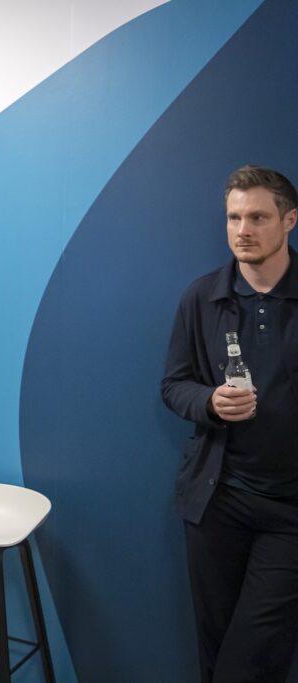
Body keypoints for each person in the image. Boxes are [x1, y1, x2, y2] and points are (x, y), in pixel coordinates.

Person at [162, 164, 298, 682]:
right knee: (215, 646)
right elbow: (174, 384)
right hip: (217, 501)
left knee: (254, 656)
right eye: (234, 218)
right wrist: (210, 402)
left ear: (289, 220)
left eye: (258, 217)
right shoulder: (202, 298)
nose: (243, 230)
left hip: (290, 509)